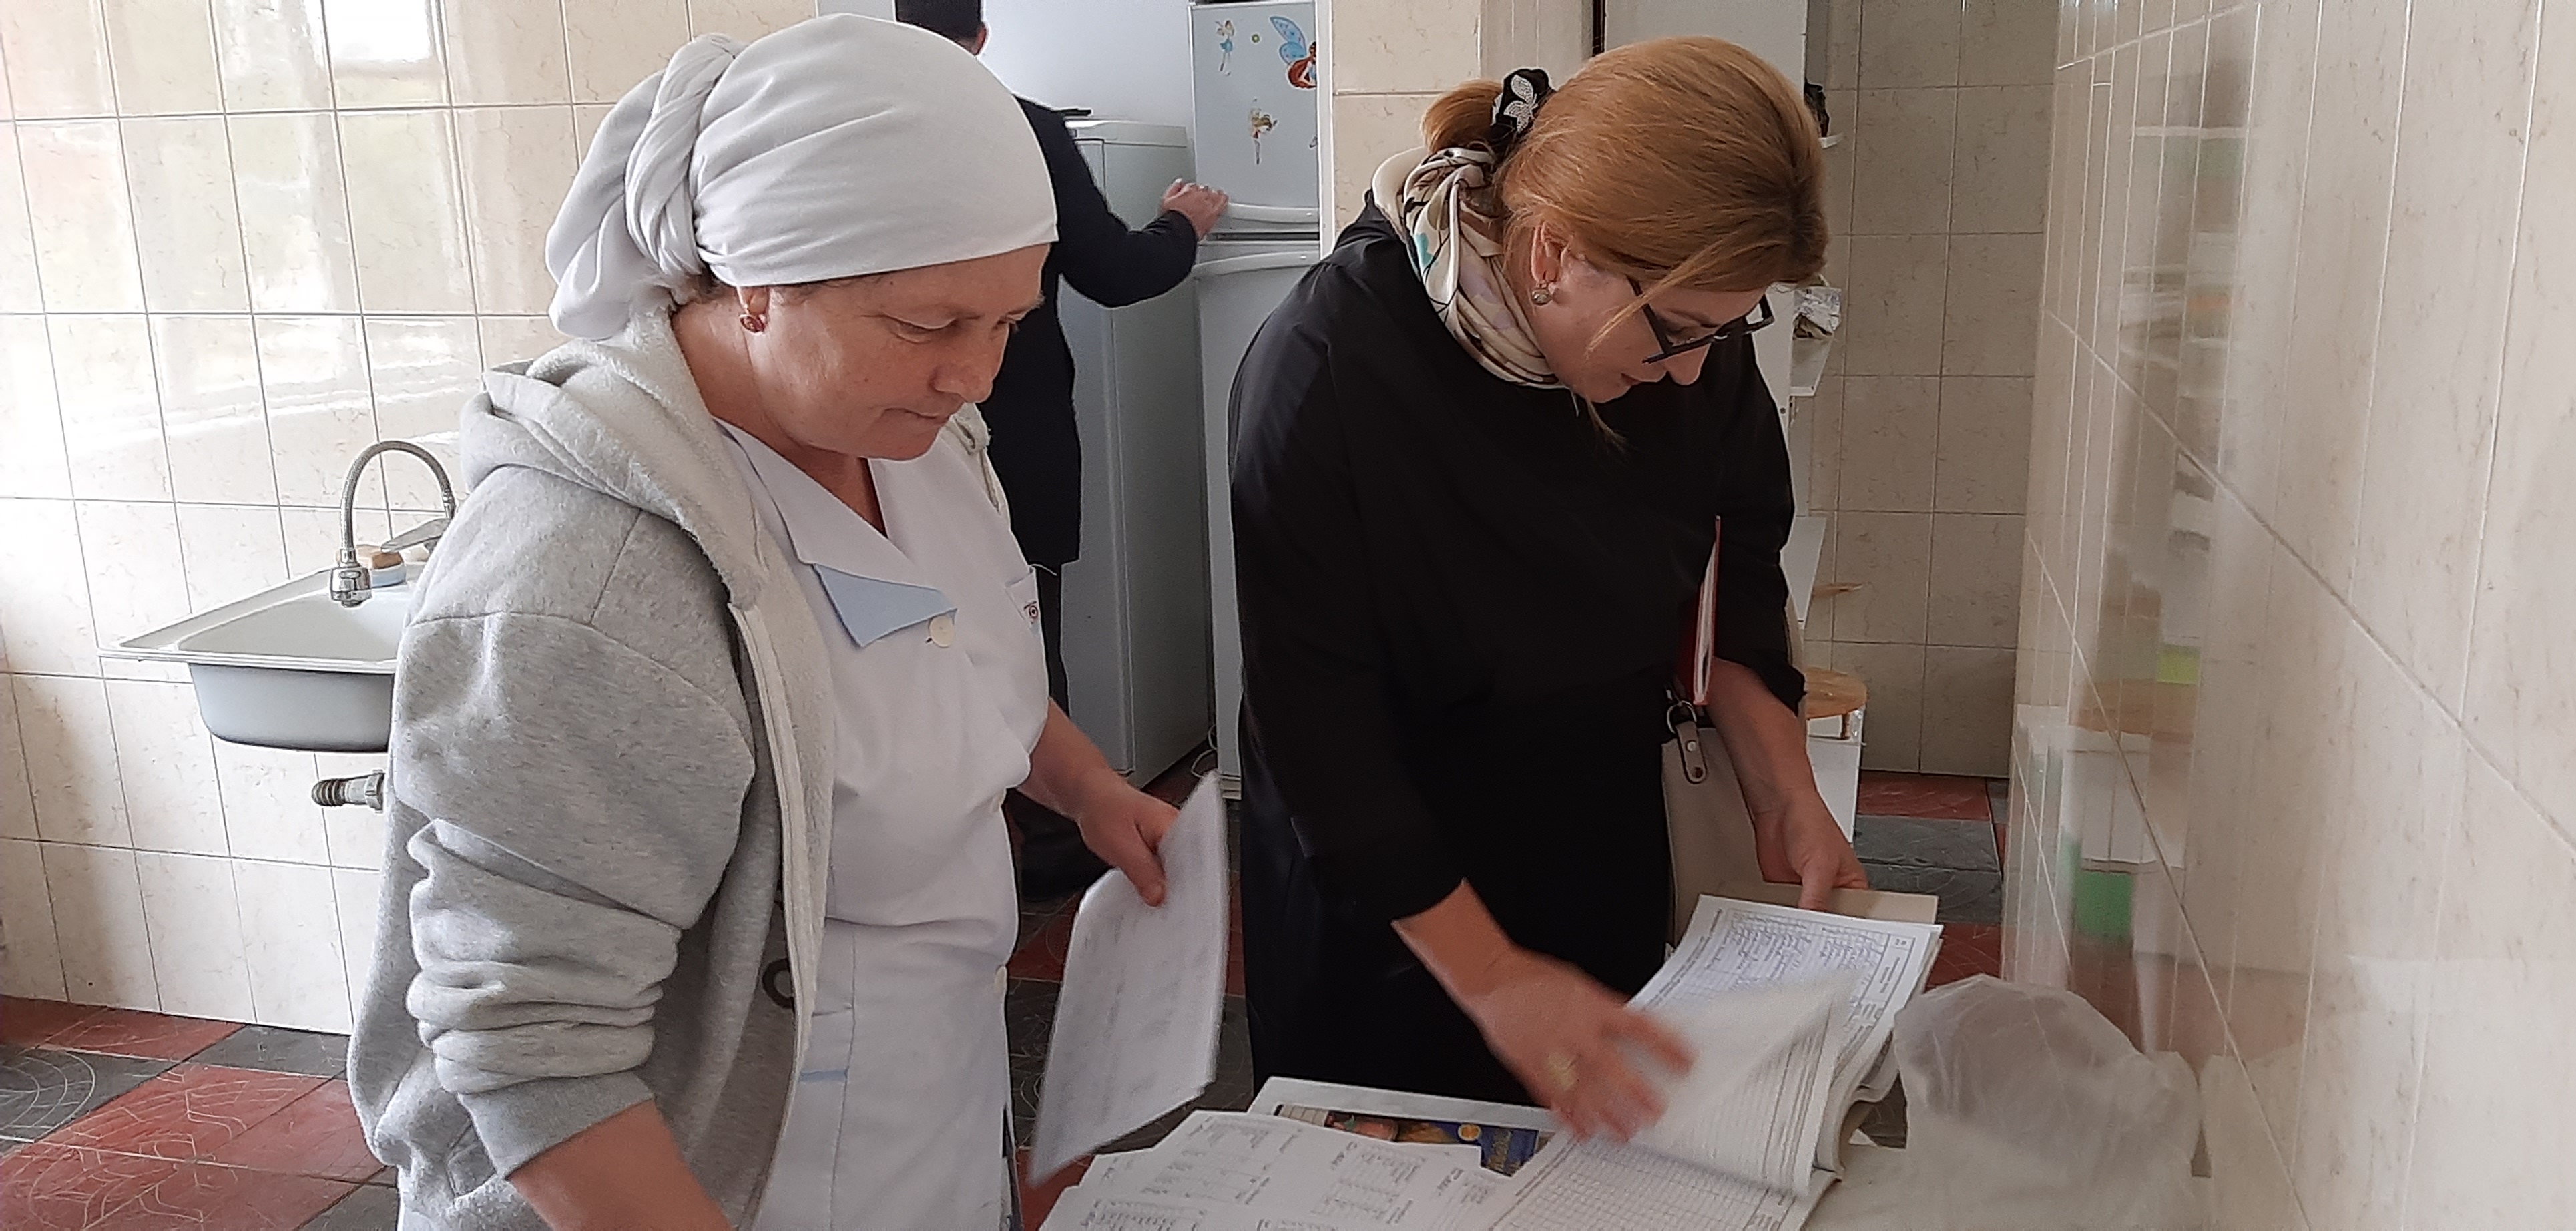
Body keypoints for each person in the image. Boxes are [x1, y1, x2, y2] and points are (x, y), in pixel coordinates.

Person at [347, 17, 1179, 1230]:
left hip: (924, 1134)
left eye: (1007, 322)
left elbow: (944, 648)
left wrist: (1087, 785)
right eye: (929, 325)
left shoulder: (922, 440)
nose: (976, 376)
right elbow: (533, 1045)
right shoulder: (589, 582)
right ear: (755, 283)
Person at [1229, 41, 1866, 1141]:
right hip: (1387, 898)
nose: (1694, 371)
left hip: (1590, 839)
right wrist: (1491, 977)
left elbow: (1737, 561)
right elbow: (1318, 732)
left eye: (1729, 331)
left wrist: (1780, 787)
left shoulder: (1688, 340)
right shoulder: (1329, 371)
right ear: (1555, 253)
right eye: (1677, 335)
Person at [893, 0, 1230, 899]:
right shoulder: (1026, 130)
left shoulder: (849, 126)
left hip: (880, 429)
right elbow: (1116, 273)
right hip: (1013, 427)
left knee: (902, 625)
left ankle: (957, 835)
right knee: (1017, 617)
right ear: (980, 37)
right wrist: (1182, 224)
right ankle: (1046, 836)